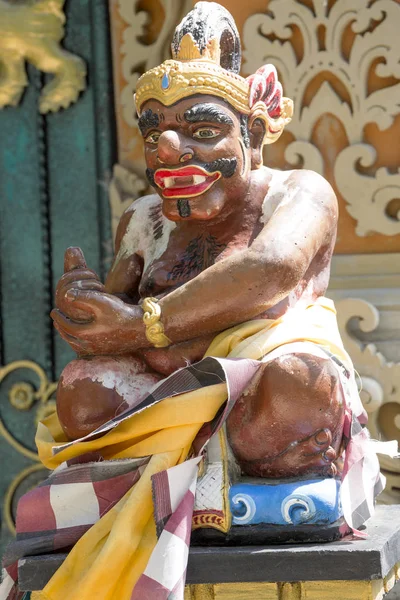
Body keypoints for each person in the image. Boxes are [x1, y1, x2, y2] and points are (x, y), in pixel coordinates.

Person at [1, 4, 384, 599]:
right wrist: (88, 304)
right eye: (154, 132)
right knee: (80, 390)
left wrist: (140, 326)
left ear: (252, 134)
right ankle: (212, 471)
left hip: (262, 389)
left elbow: (271, 269)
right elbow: (116, 312)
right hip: (167, 397)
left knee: (301, 383)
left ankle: (224, 470)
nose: (169, 149)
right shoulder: (144, 218)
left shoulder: (297, 193)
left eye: (203, 131)